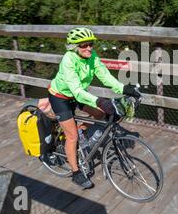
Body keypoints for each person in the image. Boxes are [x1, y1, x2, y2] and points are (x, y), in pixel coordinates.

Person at [47, 27, 140, 189]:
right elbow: (76, 90)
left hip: (78, 95)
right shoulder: (68, 60)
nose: (89, 48)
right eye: (84, 45)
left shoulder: (92, 56)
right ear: (74, 47)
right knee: (72, 137)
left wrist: (124, 89)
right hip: (60, 97)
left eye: (90, 44)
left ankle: (83, 132)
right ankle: (76, 173)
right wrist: (100, 101)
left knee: (101, 115)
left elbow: (105, 77)